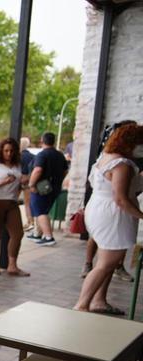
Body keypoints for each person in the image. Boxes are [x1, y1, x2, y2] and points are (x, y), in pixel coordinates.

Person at [74, 124, 143, 314]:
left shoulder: (105, 157)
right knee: (106, 263)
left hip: (98, 208)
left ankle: (99, 300)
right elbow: (121, 199)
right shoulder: (122, 164)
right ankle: (82, 305)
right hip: (112, 215)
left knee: (107, 261)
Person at [0, 138, 28, 276]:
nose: (9, 153)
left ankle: (12, 265)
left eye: (11, 151)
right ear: (1, 151)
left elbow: (20, 184)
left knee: (18, 234)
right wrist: (3, 182)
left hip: (12, 203)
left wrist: (24, 183)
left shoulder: (18, 165)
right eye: (6, 151)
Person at [26, 132, 68, 247]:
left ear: (42, 141)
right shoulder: (60, 155)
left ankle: (48, 237)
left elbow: (38, 170)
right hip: (55, 188)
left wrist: (31, 184)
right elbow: (65, 171)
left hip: (41, 188)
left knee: (40, 211)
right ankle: (37, 234)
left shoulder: (42, 155)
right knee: (43, 209)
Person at [19, 137, 36, 231]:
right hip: (29, 181)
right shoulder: (33, 156)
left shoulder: (18, 156)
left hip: (19, 180)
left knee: (24, 203)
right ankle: (30, 221)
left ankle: (30, 222)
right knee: (28, 202)